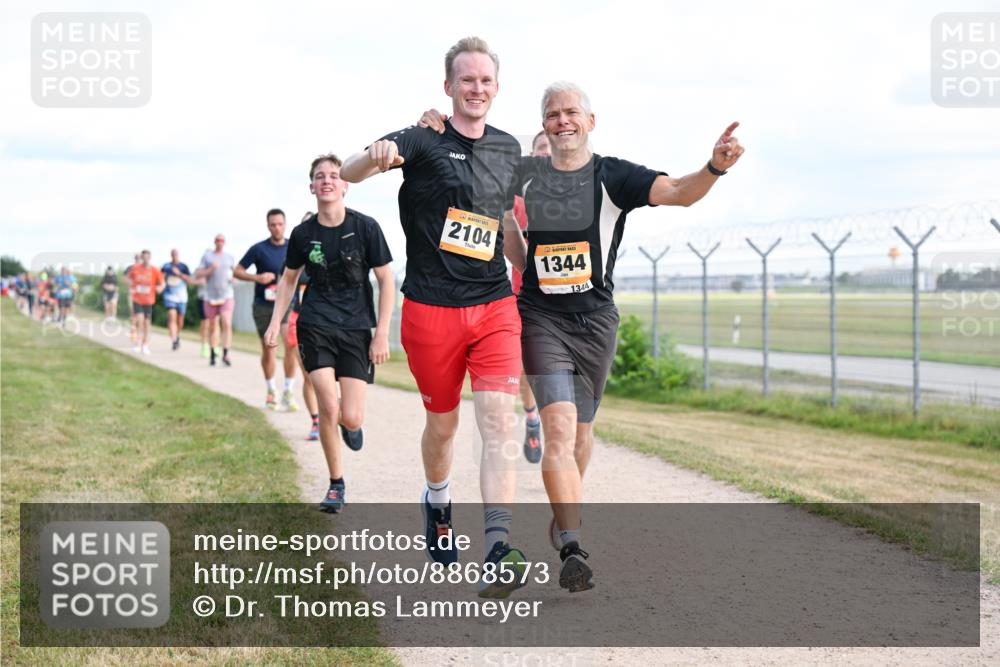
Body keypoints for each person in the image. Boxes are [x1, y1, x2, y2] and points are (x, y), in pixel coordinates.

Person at [508, 82, 744, 591]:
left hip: (595, 323)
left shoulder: (612, 175)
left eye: (572, 112)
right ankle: (572, 546)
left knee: (582, 436)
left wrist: (715, 167)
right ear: (544, 125)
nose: (562, 120)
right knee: (560, 430)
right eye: (552, 114)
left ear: (591, 121)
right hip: (541, 319)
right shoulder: (526, 177)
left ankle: (564, 508)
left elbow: (679, 192)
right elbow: (505, 227)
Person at [342, 36, 530, 598]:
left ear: (496, 88)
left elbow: (501, 222)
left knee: (498, 420)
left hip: (494, 303)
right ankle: (438, 498)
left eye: (486, 80)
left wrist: (533, 267)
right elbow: (354, 170)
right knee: (443, 425)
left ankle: (497, 546)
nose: (477, 89)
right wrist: (369, 156)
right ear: (448, 87)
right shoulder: (422, 138)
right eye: (466, 80)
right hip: (431, 309)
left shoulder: (506, 147)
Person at [264, 155, 394, 513]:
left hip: (355, 329)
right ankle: (336, 484)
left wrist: (381, 333)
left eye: (334, 176)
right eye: (320, 176)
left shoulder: (366, 227)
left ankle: (351, 427)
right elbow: (289, 278)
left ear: (344, 185)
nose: (327, 181)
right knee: (328, 405)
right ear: (312, 187)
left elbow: (385, 281)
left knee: (350, 416)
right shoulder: (303, 235)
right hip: (315, 325)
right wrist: (276, 322)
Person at [235, 209, 300, 411]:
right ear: (268, 226)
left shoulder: (293, 246)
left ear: (285, 224)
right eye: (273, 224)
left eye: (280, 224)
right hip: (264, 306)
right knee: (269, 349)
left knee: (290, 345)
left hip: (288, 304)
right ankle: (271, 390)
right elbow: (237, 271)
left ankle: (288, 391)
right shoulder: (258, 249)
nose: (277, 228)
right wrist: (257, 277)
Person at [289, 212, 322, 441]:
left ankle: (335, 413)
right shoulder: (294, 257)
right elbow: (285, 286)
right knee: (309, 375)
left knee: (331, 377)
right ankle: (316, 421)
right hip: (299, 320)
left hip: (328, 321)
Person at [195, 234, 237, 367]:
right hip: (211, 296)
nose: (220, 243)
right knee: (213, 325)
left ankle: (226, 353)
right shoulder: (208, 257)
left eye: (222, 241)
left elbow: (236, 272)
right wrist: (210, 269)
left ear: (224, 242)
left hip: (226, 295)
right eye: (218, 240)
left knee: (226, 323)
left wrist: (234, 278)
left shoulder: (229, 257)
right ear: (214, 242)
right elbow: (198, 273)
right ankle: (213, 352)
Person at [127, 250, 165, 354]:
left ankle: (145, 345)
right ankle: (137, 344)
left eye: (147, 257)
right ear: (142, 258)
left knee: (147, 323)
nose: (145, 259)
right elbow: (128, 278)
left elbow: (162, 283)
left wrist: (160, 288)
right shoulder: (135, 268)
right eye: (143, 257)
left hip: (149, 300)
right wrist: (131, 287)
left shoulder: (154, 270)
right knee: (140, 320)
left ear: (150, 257)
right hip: (137, 299)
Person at [161, 249, 194, 350]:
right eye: (173, 254)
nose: (174, 256)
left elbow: (190, 281)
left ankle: (177, 335)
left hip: (182, 297)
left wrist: (179, 274)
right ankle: (174, 340)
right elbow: (160, 278)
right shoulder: (166, 266)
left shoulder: (184, 267)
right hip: (169, 296)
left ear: (178, 255)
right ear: (171, 255)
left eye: (176, 254)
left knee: (180, 322)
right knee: (172, 317)